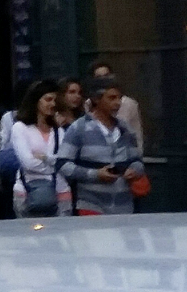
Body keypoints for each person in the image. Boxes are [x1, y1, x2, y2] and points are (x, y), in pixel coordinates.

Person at [57, 82, 144, 216]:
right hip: (91, 205)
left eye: (119, 98)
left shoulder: (125, 129)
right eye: (112, 98)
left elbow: (137, 161)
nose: (117, 103)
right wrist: (95, 174)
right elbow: (63, 164)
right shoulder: (79, 128)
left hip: (124, 206)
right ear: (97, 99)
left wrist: (134, 170)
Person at [6, 81, 72, 218]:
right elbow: (28, 163)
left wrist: (44, 157)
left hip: (60, 191)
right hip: (28, 192)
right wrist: (53, 163)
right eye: (48, 99)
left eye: (54, 100)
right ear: (36, 100)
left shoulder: (58, 130)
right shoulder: (20, 128)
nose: (52, 104)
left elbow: (64, 161)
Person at [88, 61, 144, 147]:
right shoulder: (87, 105)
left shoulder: (129, 104)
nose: (104, 80)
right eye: (99, 77)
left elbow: (137, 137)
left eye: (107, 75)